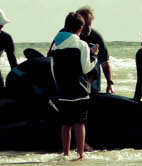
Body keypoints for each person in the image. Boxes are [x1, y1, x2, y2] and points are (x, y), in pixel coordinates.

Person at [49, 13, 98, 159]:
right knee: (79, 124)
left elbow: (52, 68)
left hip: (63, 91)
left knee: (66, 125)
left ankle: (66, 153)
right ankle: (81, 155)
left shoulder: (56, 45)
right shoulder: (81, 44)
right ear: (81, 28)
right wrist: (94, 55)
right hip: (79, 91)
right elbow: (86, 68)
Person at [48, 6, 114, 94]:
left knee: (95, 62)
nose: (85, 27)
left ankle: (92, 91)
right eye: (83, 24)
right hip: (66, 76)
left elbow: (105, 63)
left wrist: (110, 83)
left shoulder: (96, 37)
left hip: (89, 76)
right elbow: (50, 56)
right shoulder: (63, 34)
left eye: (88, 24)